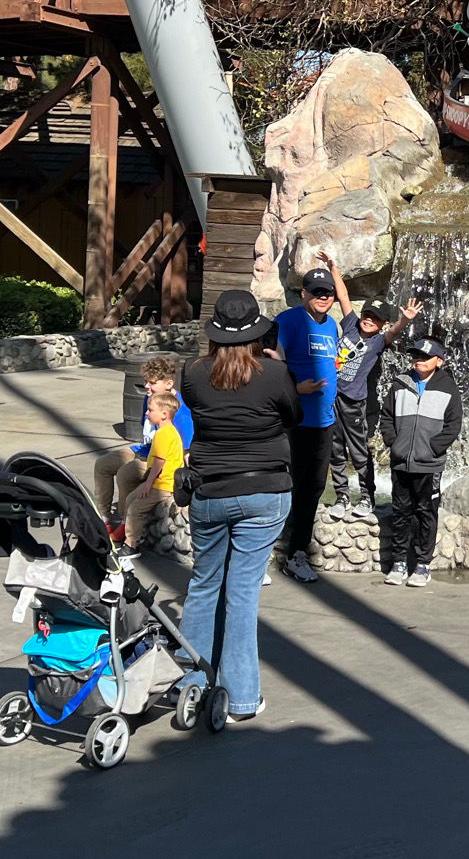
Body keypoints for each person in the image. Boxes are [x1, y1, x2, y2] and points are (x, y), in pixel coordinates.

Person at [175, 290, 300, 721]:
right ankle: (242, 697)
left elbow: (201, 408)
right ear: (256, 332)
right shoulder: (273, 372)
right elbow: (293, 415)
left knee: (204, 585)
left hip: (210, 489)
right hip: (265, 490)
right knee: (242, 593)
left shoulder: (192, 373)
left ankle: (190, 686)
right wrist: (276, 361)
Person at [379, 337, 464, 589]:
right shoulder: (400, 383)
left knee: (426, 511)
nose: (418, 361)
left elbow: (453, 424)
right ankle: (399, 563)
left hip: (429, 464)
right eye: (415, 356)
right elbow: (386, 416)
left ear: (439, 361)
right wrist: (394, 443)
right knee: (401, 511)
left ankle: (423, 564)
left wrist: (433, 448)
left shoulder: (448, 387)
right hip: (401, 461)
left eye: (425, 357)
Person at [275, 263, 342, 582]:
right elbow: (269, 359)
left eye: (327, 292)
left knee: (313, 487)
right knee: (285, 485)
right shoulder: (288, 320)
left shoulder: (331, 326)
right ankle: (266, 553)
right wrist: (294, 386)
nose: (323, 297)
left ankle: (297, 553)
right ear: (304, 294)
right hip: (294, 420)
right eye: (316, 292)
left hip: (324, 421)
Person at [330, 289, 422, 514]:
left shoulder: (379, 342)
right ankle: (341, 495)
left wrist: (405, 320)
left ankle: (366, 496)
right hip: (331, 399)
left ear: (383, 323)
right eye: (367, 315)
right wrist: (333, 269)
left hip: (353, 402)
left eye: (376, 318)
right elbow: (343, 297)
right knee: (335, 449)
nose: (369, 320)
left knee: (358, 450)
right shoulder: (351, 325)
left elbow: (393, 333)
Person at [91, 354, 190, 540]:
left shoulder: (181, 413)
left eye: (152, 382)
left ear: (169, 384)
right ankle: (102, 517)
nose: (146, 387)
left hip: (161, 461)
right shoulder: (150, 399)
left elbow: (186, 450)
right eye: (146, 381)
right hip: (144, 450)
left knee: (126, 474)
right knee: (103, 464)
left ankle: (124, 522)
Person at [117, 392, 185, 553]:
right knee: (130, 498)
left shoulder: (163, 434)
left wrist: (147, 485)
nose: (146, 413)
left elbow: (159, 463)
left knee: (136, 508)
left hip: (163, 485)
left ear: (164, 414)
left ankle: (131, 544)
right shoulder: (166, 432)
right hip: (158, 483)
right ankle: (133, 533)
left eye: (150, 409)